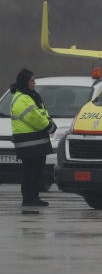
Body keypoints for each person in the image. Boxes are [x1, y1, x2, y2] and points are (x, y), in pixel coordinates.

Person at [8, 69, 53, 207]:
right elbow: (33, 117)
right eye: (31, 80)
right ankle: (28, 198)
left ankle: (34, 196)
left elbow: (42, 112)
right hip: (28, 141)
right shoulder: (22, 98)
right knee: (30, 171)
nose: (34, 83)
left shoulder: (30, 96)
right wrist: (49, 126)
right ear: (24, 82)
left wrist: (49, 122)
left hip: (37, 141)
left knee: (37, 170)